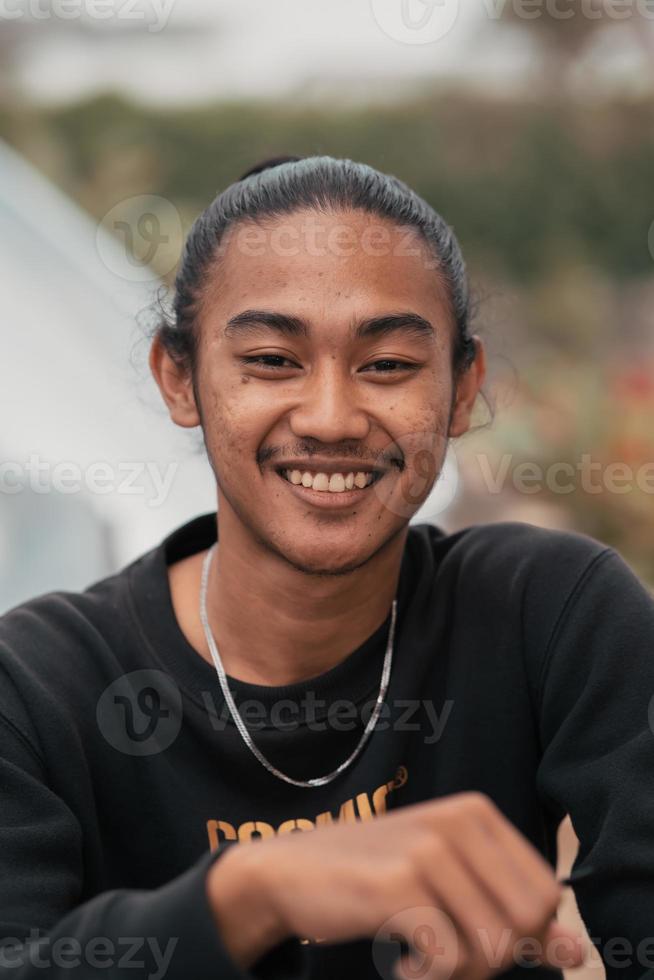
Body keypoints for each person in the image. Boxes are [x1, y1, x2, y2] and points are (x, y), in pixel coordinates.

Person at [1, 155, 653, 980]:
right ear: (179, 377)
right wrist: (252, 895)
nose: (333, 418)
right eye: (273, 360)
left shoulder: (551, 614)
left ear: (461, 389)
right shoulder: (33, 687)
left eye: (387, 365)